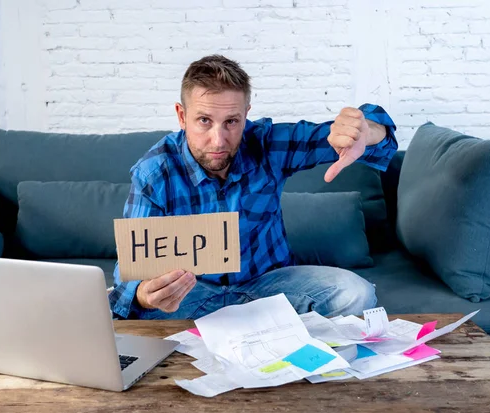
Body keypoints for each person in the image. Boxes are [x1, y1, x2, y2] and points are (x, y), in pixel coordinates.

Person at [109, 54, 397, 320]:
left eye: (231, 122)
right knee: (123, 315)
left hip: (268, 287)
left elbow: (354, 137)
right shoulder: (154, 172)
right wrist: (145, 294)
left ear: (246, 114)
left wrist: (368, 131)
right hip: (192, 293)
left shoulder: (266, 144)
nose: (219, 141)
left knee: (357, 292)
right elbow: (133, 265)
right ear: (182, 116)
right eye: (204, 121)